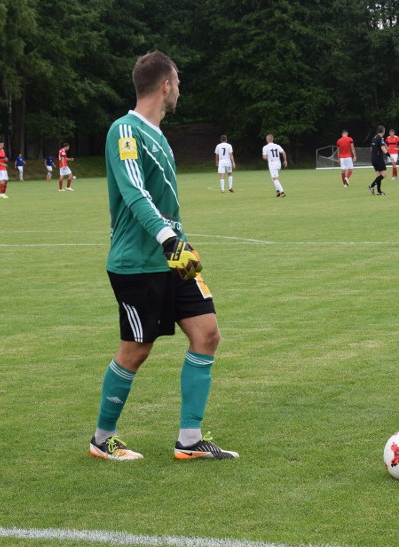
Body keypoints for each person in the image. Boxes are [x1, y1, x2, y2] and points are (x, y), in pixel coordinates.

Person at [89, 50, 238, 462]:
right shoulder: (124, 130)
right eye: (178, 84)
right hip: (137, 263)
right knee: (137, 348)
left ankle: (189, 440)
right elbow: (135, 192)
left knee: (207, 333)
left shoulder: (159, 136)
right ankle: (102, 438)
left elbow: (163, 204)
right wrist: (169, 238)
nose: (179, 91)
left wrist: (181, 244)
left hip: (172, 257)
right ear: (165, 85)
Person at [367, 125, 388, 196]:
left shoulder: (374, 138)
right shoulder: (380, 138)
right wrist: (389, 155)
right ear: (383, 131)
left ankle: (379, 191)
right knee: (384, 174)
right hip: (379, 159)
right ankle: (371, 186)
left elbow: (371, 148)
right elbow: (383, 148)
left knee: (379, 175)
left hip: (373, 159)